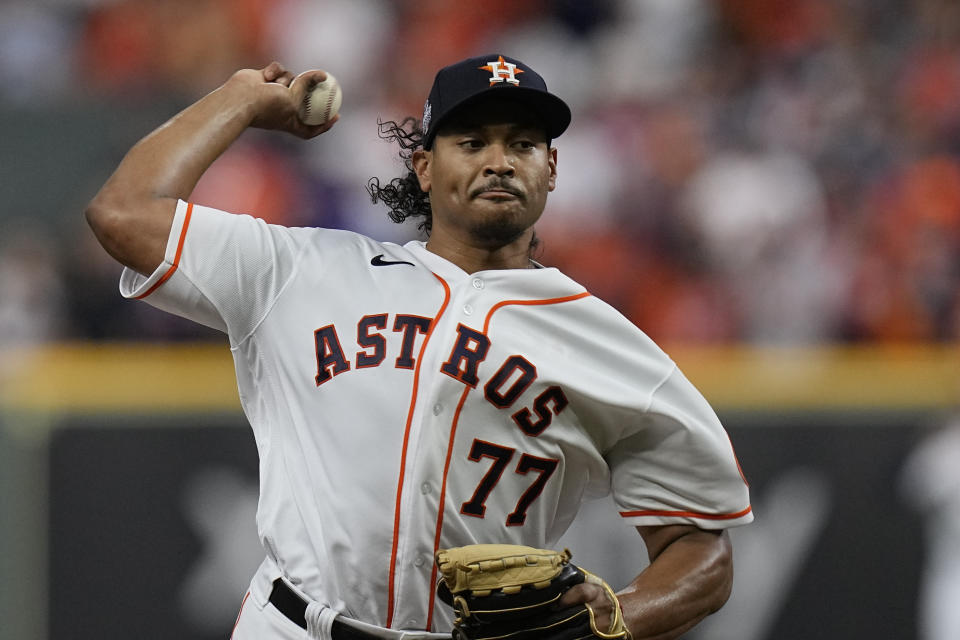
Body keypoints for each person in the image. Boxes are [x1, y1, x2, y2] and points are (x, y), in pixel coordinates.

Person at [85, 54, 753, 640]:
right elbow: (123, 211)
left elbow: (702, 546)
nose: (499, 161)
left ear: (551, 170)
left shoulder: (608, 345)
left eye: (523, 145)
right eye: (473, 141)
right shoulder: (300, 270)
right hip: (293, 625)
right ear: (425, 168)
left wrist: (616, 616)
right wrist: (241, 98)